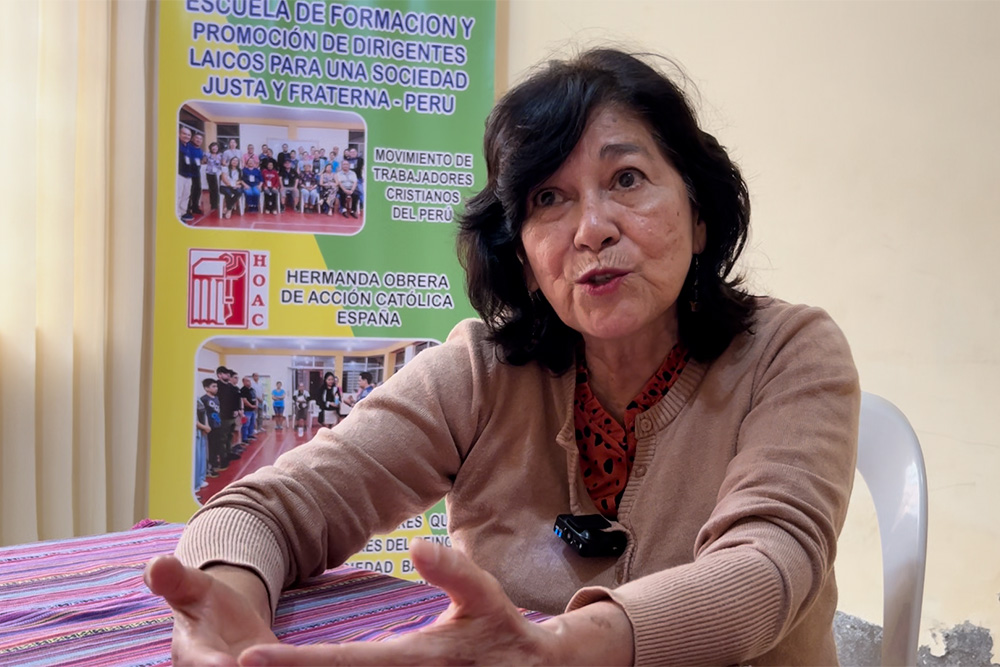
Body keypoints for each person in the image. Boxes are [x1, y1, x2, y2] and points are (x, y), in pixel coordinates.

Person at [148, 49, 859, 666]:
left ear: (699, 216)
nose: (592, 229)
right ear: (521, 258)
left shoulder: (789, 352)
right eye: (550, 198)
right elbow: (270, 506)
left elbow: (767, 568)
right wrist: (228, 597)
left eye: (628, 179)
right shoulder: (482, 371)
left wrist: (553, 651)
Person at [177, 126, 195, 222]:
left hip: (188, 175)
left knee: (186, 195)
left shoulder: (188, 146)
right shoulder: (176, 145)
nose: (186, 136)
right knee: (178, 195)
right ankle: (177, 215)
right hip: (179, 174)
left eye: (189, 135)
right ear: (179, 134)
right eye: (184, 134)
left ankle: (183, 212)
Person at [187, 132, 205, 216]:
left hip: (196, 173)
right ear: (193, 139)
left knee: (197, 190)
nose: (199, 140)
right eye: (197, 138)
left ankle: (195, 207)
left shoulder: (200, 150)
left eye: (200, 139)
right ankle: (187, 209)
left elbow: (200, 160)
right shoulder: (188, 147)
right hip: (187, 173)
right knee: (188, 192)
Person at [204, 141, 223, 213]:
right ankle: (213, 204)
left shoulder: (220, 155)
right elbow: (204, 161)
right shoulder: (207, 154)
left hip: (218, 174)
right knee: (212, 189)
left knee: (218, 189)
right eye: (213, 146)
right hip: (210, 173)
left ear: (218, 148)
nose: (214, 148)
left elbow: (223, 163)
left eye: (216, 147)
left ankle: (218, 203)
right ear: (210, 148)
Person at [239, 376, 258, 446]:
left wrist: (256, 405)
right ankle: (244, 438)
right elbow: (244, 400)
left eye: (249, 381)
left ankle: (250, 435)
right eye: (247, 381)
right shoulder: (243, 390)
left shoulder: (252, 389)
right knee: (245, 424)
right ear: (243, 382)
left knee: (252, 423)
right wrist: (251, 406)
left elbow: (255, 398)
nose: (248, 382)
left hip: (252, 410)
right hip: (247, 410)